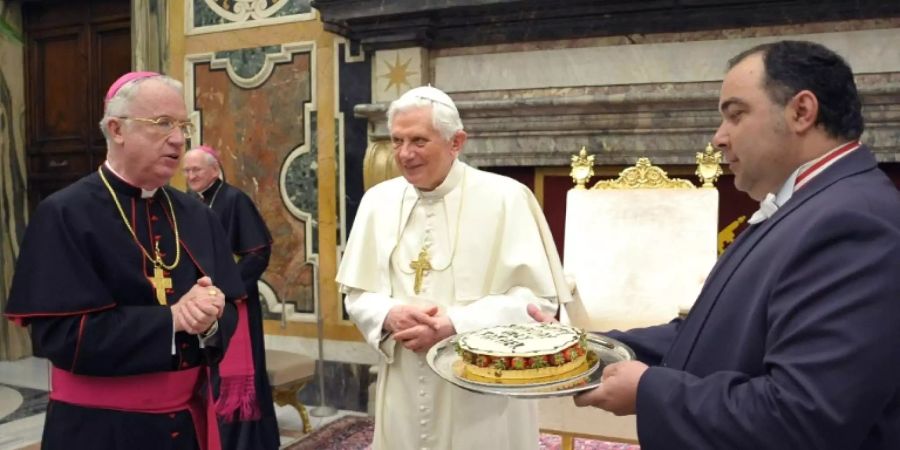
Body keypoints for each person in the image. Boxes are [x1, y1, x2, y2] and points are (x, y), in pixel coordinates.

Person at [529, 40, 900, 449]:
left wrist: (650, 391)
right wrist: (586, 350)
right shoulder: (807, 205)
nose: (719, 138)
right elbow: (707, 331)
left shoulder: (853, 221)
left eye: (736, 115)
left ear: (801, 111)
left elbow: (803, 415)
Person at [4, 72, 253, 450]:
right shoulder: (64, 213)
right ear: (117, 129)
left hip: (186, 426)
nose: (178, 138)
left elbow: (231, 308)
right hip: (99, 431)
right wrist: (170, 319)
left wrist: (211, 317)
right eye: (162, 123)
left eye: (182, 125)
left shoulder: (197, 215)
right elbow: (60, 336)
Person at [336, 85, 570, 450]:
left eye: (418, 141)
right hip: (405, 378)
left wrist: (455, 325)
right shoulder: (377, 202)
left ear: (456, 142)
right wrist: (389, 314)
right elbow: (356, 293)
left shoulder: (506, 198)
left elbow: (537, 302)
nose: (404, 154)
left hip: (482, 383)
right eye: (397, 141)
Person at [182, 145, 279, 450]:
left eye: (196, 169)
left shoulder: (234, 199)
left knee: (236, 379)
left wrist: (227, 286)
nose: (190, 176)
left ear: (215, 169)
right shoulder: (187, 203)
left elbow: (258, 251)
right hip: (199, 302)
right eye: (186, 171)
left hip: (234, 303)